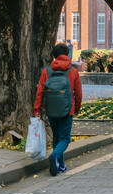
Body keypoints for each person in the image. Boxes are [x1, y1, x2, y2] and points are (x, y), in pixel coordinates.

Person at [34, 43, 82, 176]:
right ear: (67, 54)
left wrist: (37, 109)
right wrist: (76, 107)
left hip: (51, 109)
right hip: (67, 109)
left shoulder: (47, 71)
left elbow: (39, 92)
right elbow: (78, 93)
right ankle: (55, 156)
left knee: (56, 137)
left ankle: (60, 165)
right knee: (65, 138)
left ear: (54, 56)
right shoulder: (72, 71)